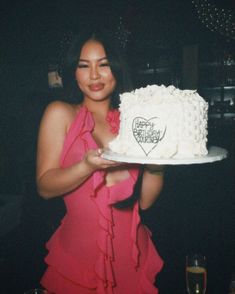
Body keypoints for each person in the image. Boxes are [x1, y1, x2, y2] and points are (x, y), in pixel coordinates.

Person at [36, 28, 164, 294]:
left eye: (103, 65)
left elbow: (145, 202)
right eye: (84, 66)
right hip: (79, 261)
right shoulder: (60, 113)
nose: (94, 75)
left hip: (132, 259)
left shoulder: (134, 120)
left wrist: (157, 164)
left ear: (117, 68)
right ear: (74, 72)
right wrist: (86, 167)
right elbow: (44, 187)